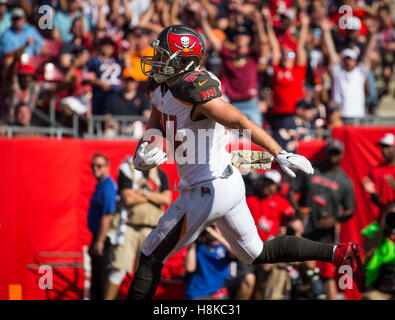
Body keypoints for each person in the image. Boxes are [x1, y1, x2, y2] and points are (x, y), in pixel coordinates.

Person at [126, 25, 366, 300]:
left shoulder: (193, 88)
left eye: (162, 53)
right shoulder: (158, 85)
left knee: (150, 255)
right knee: (257, 253)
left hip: (207, 189)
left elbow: (241, 121)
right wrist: (144, 151)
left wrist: (278, 152)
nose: (155, 58)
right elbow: (155, 128)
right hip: (227, 184)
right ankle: (339, 252)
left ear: (183, 61)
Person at [287, 140, 356, 300]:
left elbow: (351, 208)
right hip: (303, 229)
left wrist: (335, 220)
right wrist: (298, 209)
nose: (333, 156)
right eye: (331, 151)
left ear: (341, 155)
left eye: (336, 153)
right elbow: (291, 191)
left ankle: (318, 293)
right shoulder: (310, 169)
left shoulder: (344, 181)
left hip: (326, 235)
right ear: (326, 152)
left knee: (326, 277)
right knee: (305, 270)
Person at [104, 154, 172, 300]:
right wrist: (154, 196)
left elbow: (167, 198)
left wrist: (142, 193)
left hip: (151, 229)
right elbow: (127, 198)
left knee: (144, 273)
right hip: (129, 227)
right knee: (118, 270)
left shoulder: (160, 174)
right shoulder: (129, 169)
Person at [266, 12, 309, 152]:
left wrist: (305, 26)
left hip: (291, 115)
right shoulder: (277, 69)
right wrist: (268, 27)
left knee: (289, 148)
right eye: (284, 54)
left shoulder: (298, 69)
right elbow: (275, 48)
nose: (286, 57)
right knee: (276, 147)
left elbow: (301, 45)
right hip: (276, 113)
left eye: (290, 54)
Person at [321, 18, 377, 122]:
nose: (348, 61)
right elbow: (332, 53)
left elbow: (367, 54)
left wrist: (373, 36)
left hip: (357, 115)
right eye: (346, 58)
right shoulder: (338, 71)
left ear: (355, 61)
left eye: (350, 59)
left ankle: (372, 102)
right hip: (340, 116)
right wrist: (326, 32)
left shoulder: (359, 72)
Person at [87, 154, 118, 300]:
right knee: (98, 281)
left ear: (107, 167)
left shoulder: (107, 186)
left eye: (99, 166)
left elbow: (107, 214)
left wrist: (99, 240)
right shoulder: (102, 185)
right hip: (100, 237)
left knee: (102, 283)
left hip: (104, 239)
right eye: (93, 166)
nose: (95, 169)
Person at [361, 201, 395, 300]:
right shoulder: (373, 229)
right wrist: (382, 228)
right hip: (375, 287)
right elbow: (367, 252)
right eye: (391, 215)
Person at [86, 37, 122, 115]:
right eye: (105, 45)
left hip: (117, 93)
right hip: (100, 93)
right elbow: (86, 77)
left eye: (110, 46)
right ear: (100, 47)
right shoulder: (94, 61)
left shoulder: (118, 61)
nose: (108, 48)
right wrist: (99, 83)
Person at [362, 133, 395, 216]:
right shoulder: (375, 170)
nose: (383, 150)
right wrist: (373, 193)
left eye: (387, 147)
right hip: (383, 219)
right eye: (382, 147)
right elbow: (378, 202)